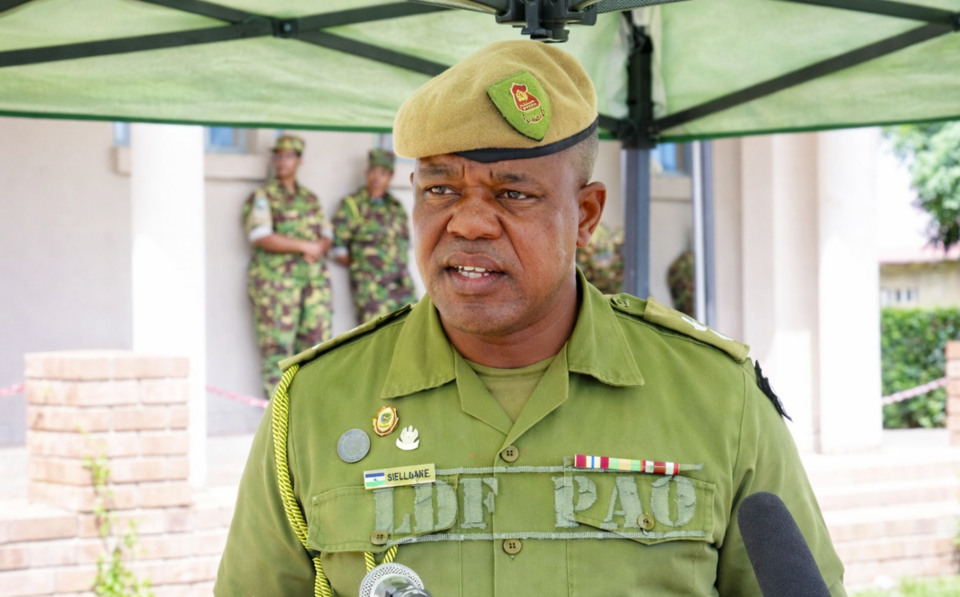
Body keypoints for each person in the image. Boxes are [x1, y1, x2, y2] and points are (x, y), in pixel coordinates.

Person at [217, 42, 846, 596]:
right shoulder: (316, 404)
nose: (467, 223)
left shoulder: (719, 398)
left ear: (586, 215)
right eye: (440, 189)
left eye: (512, 194)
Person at [242, 134, 334, 398]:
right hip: (277, 288)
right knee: (277, 350)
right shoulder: (264, 196)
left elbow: (327, 235)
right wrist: (306, 246)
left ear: (299, 161)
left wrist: (319, 247)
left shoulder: (310, 199)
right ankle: (277, 415)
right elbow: (260, 235)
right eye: (278, 156)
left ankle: (308, 411)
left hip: (312, 286)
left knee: (316, 349)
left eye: (289, 156)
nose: (283, 161)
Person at [331, 149, 417, 323]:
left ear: (390, 176)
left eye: (382, 173)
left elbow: (404, 242)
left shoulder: (395, 206)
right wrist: (365, 266)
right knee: (376, 332)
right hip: (370, 287)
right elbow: (339, 251)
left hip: (400, 283)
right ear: (367, 172)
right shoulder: (353, 204)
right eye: (373, 171)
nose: (377, 178)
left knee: (412, 326)